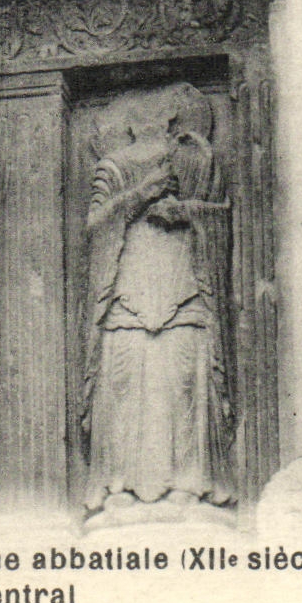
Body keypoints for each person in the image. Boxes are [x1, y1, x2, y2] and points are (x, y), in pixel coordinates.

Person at [82, 84, 231, 524]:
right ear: (126, 126)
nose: (152, 122)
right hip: (127, 289)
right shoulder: (112, 167)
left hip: (183, 283)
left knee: (183, 377)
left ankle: (191, 482)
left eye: (163, 115)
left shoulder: (195, 159)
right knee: (124, 382)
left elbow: (220, 212)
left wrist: (187, 211)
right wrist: (139, 194)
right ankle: (117, 484)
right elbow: (95, 225)